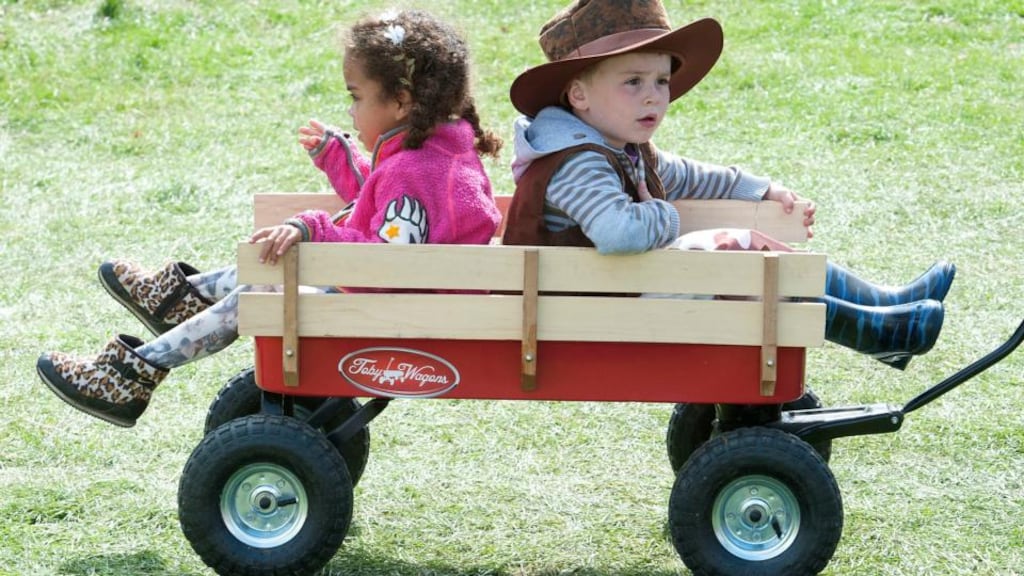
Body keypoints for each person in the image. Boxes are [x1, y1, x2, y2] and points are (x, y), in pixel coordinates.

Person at [36, 9, 504, 428]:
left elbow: (386, 261)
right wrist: (340, 161)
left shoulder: (416, 169)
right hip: (406, 299)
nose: (350, 110)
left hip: (404, 310)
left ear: (401, 102)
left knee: (265, 291)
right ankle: (180, 303)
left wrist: (312, 228)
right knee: (276, 268)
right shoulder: (432, 156)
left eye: (356, 97)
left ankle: (137, 369)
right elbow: (392, 216)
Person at [502, 0, 954, 370]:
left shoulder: (622, 148)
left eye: (662, 80)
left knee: (754, 254)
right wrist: (667, 215)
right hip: (585, 315)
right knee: (735, 250)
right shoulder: (578, 163)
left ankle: (882, 304)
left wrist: (761, 189)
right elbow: (618, 233)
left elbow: (689, 176)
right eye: (633, 82)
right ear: (578, 95)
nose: (653, 95)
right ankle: (876, 332)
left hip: (618, 298)